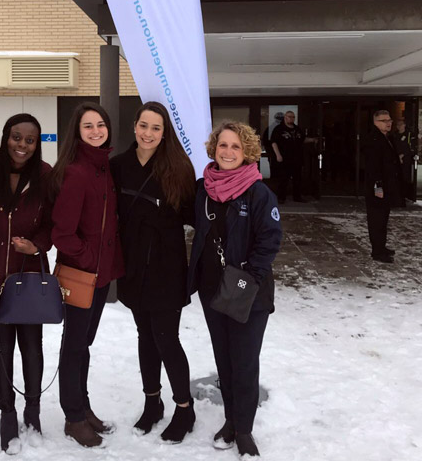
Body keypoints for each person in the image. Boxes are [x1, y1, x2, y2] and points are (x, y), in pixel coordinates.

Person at [187, 121, 282, 457]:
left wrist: (248, 279)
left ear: (248, 153)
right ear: (213, 148)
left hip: (248, 292)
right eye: (222, 145)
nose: (227, 152)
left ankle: (244, 429)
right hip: (212, 290)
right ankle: (230, 419)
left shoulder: (258, 192)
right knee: (224, 361)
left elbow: (270, 240)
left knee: (244, 362)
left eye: (235, 147)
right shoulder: (203, 189)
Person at [110, 101, 196, 443]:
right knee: (145, 336)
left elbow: (196, 216)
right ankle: (152, 402)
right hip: (132, 267)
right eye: (144, 126)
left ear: (165, 132)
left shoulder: (178, 167)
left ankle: (185, 407)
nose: (148, 133)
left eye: (156, 128)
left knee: (166, 338)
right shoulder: (118, 167)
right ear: (134, 127)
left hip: (167, 267)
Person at [49, 102, 125, 448]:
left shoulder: (103, 167)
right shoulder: (77, 172)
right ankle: (73, 417)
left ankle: (83, 406)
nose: (96, 131)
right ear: (77, 133)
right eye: (88, 127)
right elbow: (62, 234)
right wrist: (90, 257)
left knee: (84, 345)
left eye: (100, 125)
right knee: (75, 345)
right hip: (81, 277)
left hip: (101, 276)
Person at [0, 113, 52, 454]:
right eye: (16, 137)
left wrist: (38, 243)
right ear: (6, 136)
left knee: (32, 346)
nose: (22, 145)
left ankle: (32, 411)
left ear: (37, 144)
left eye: (30, 140)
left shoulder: (46, 176)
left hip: (27, 275)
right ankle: (7, 414)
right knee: (1, 348)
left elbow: (54, 224)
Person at [363, 110, 403, 263]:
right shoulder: (373, 139)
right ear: (375, 122)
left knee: (383, 218)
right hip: (378, 187)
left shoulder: (387, 137)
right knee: (376, 219)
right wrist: (378, 188)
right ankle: (377, 251)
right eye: (384, 120)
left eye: (389, 120)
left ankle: (381, 246)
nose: (388, 123)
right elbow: (373, 167)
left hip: (388, 185)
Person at [270, 110, 305, 203]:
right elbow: (274, 142)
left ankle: (297, 197)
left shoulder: (297, 129)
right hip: (285, 158)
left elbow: (303, 140)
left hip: (297, 158)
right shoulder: (279, 129)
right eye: (289, 116)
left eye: (293, 117)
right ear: (285, 117)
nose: (291, 118)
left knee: (297, 179)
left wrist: (314, 140)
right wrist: (278, 155)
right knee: (283, 179)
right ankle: (281, 198)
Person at [394, 118, 414, 200]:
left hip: (406, 160)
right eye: (398, 125)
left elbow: (411, 148)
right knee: (396, 177)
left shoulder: (409, 134)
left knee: (405, 177)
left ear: (404, 125)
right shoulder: (395, 135)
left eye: (401, 124)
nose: (399, 126)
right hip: (396, 159)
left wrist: (402, 156)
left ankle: (405, 195)